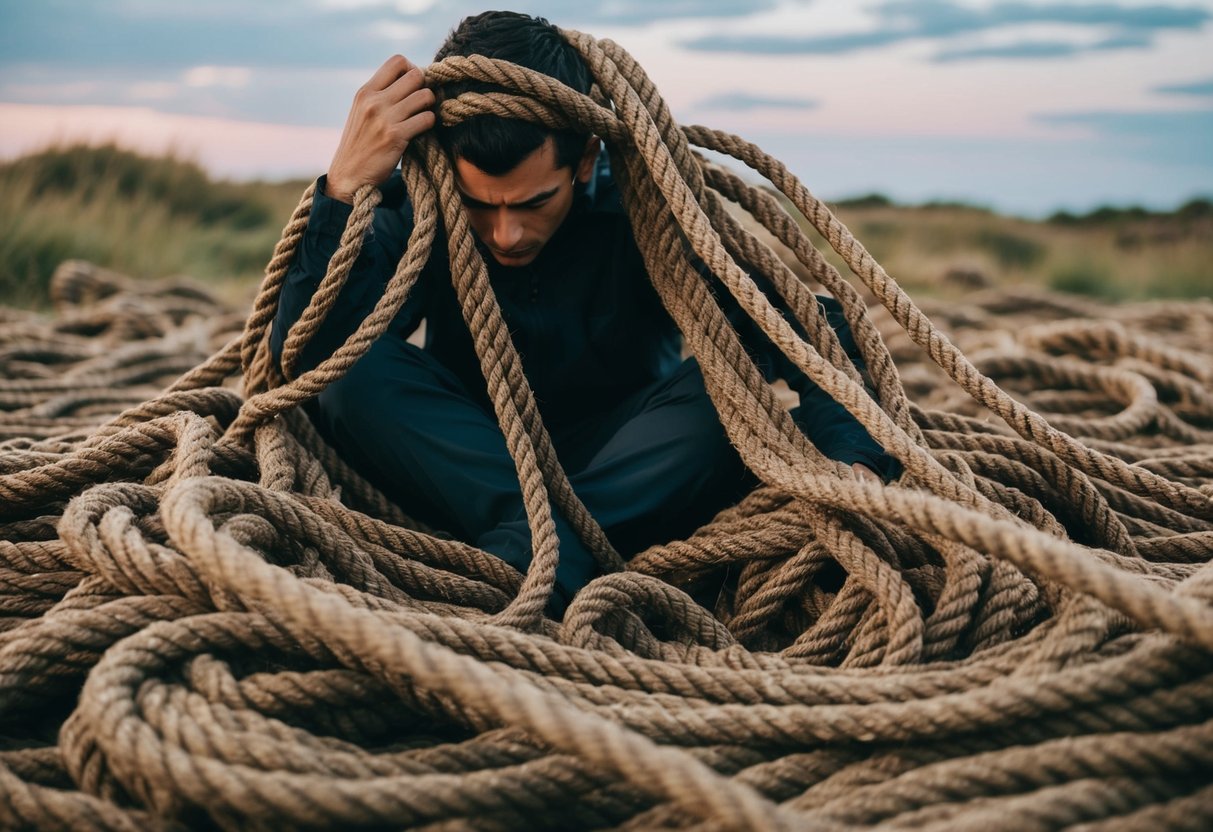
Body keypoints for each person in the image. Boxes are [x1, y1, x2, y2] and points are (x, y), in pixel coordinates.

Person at [271, 11, 897, 607]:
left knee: (731, 389)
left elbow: (804, 326)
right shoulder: (422, 205)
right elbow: (301, 356)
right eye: (481, 206)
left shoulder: (646, 210)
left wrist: (855, 462)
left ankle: (538, 549)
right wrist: (344, 187)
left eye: (533, 202)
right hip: (465, 463)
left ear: (588, 158)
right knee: (347, 373)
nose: (506, 233)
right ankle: (550, 544)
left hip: (630, 462)